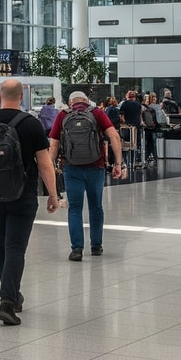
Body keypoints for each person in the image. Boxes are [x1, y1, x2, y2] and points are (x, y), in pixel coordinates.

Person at [0, 78, 58, 325]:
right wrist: (53, 194)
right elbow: (45, 163)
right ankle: (7, 301)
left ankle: (13, 296)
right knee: (16, 247)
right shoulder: (31, 124)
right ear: (22, 97)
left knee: (2, 245)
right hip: (23, 194)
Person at [49, 90, 125, 261]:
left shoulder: (63, 115)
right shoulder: (97, 113)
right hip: (96, 167)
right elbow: (114, 136)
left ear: (70, 102)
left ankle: (77, 249)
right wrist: (118, 163)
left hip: (71, 167)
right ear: (86, 101)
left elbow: (53, 146)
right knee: (95, 207)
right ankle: (96, 246)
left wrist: (49, 170)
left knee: (74, 208)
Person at [118, 89, 143, 163]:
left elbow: (121, 115)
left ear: (127, 96)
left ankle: (125, 160)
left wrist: (123, 122)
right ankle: (134, 159)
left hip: (127, 127)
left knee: (125, 144)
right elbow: (140, 115)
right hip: (136, 126)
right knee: (135, 144)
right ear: (134, 97)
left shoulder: (124, 104)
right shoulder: (138, 104)